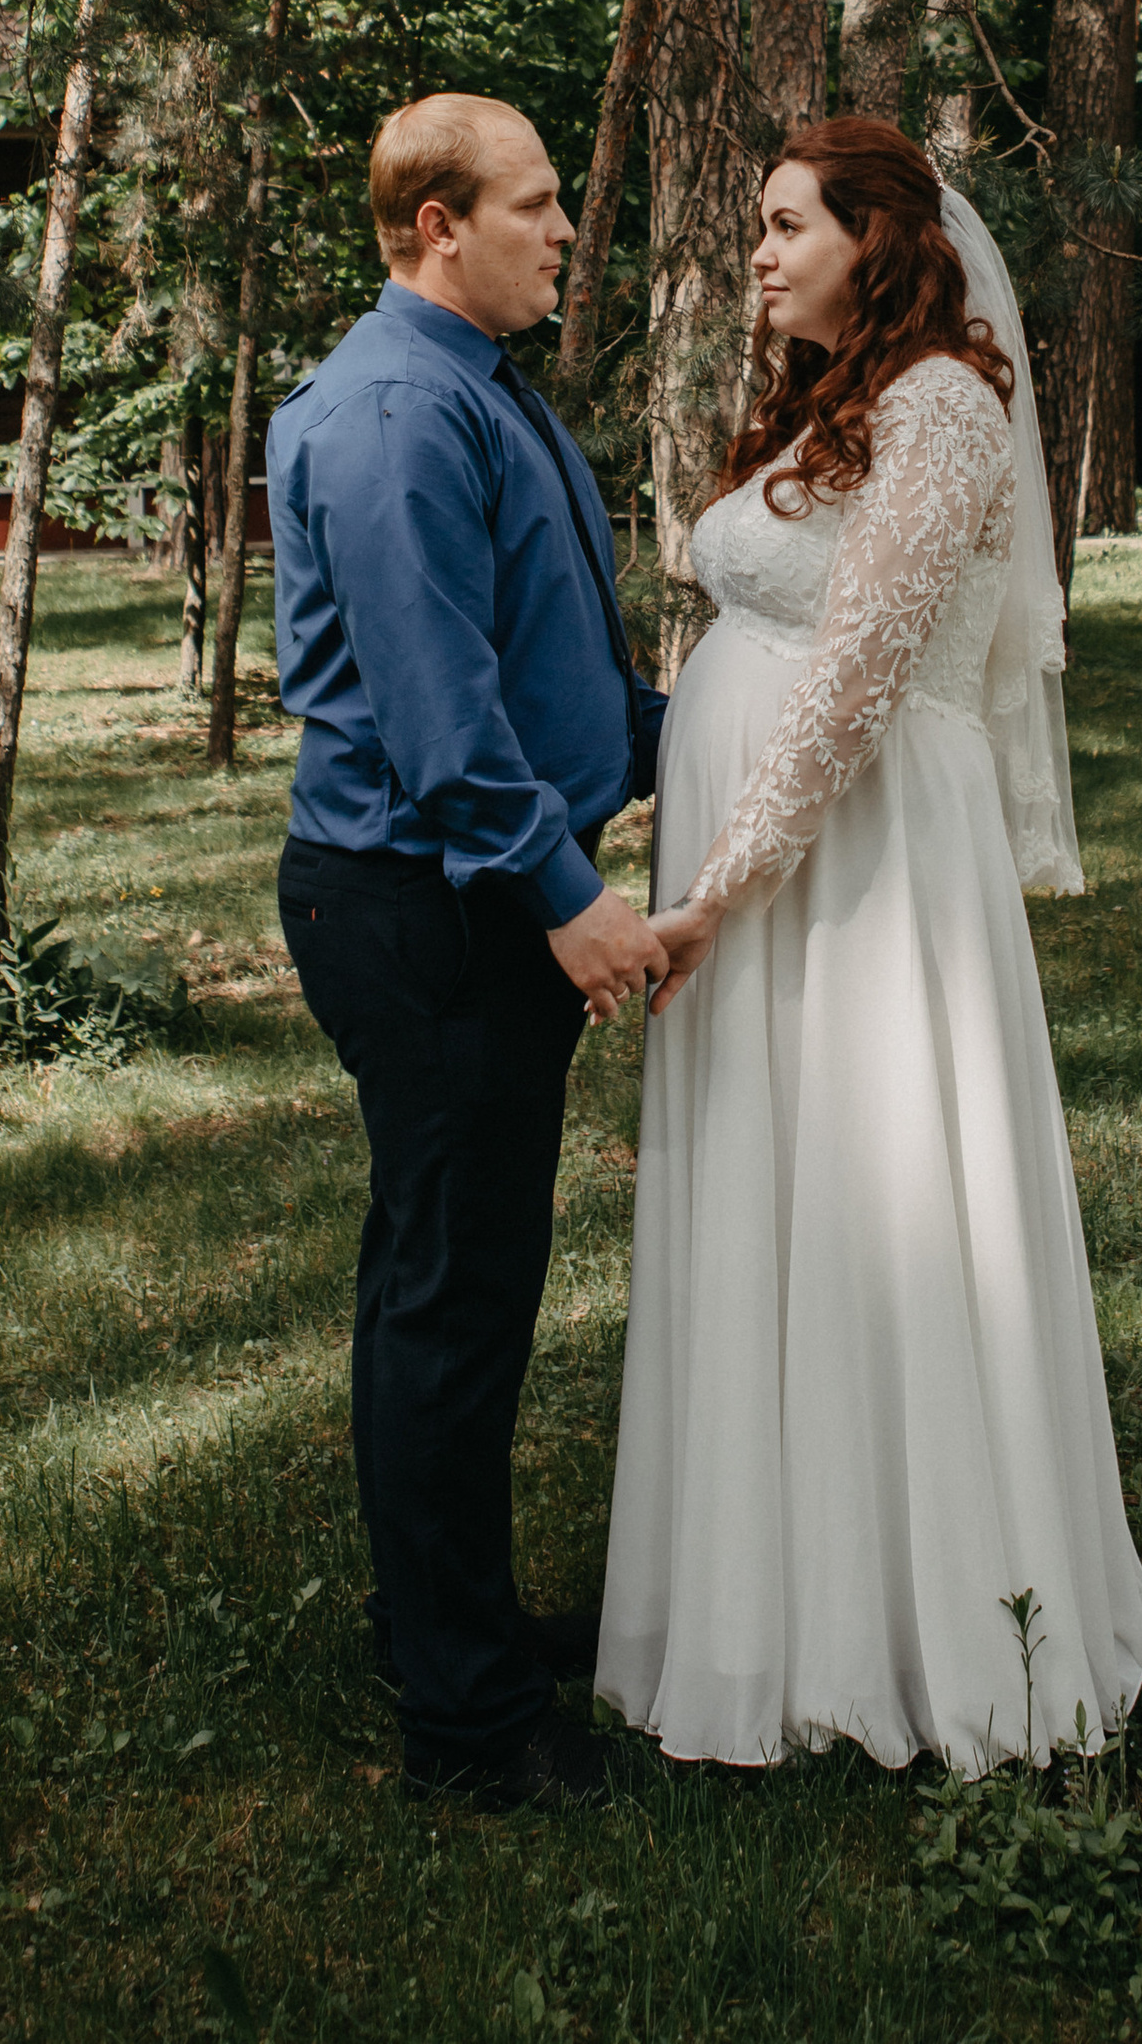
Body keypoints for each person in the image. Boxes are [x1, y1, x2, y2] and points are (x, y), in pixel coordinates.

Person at [596, 115, 1142, 1772]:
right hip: (788, 865)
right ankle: (763, 1596)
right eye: (760, 225)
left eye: (787, 225)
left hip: (856, 874)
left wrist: (721, 882)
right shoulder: (841, 402)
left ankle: (927, 1623)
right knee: (778, 1199)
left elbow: (856, 680)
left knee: (878, 1193)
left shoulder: (938, 405)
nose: (758, 252)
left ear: (879, 239)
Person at [269, 93, 669, 1813]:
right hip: (434, 903)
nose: (566, 229)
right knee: (450, 1303)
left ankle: (452, 1619)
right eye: (536, 203)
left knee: (450, 1285)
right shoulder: (388, 416)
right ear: (437, 224)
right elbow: (442, 722)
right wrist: (564, 894)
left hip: (470, 887)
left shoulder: (479, 393)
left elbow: (544, 657)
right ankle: (469, 1732)